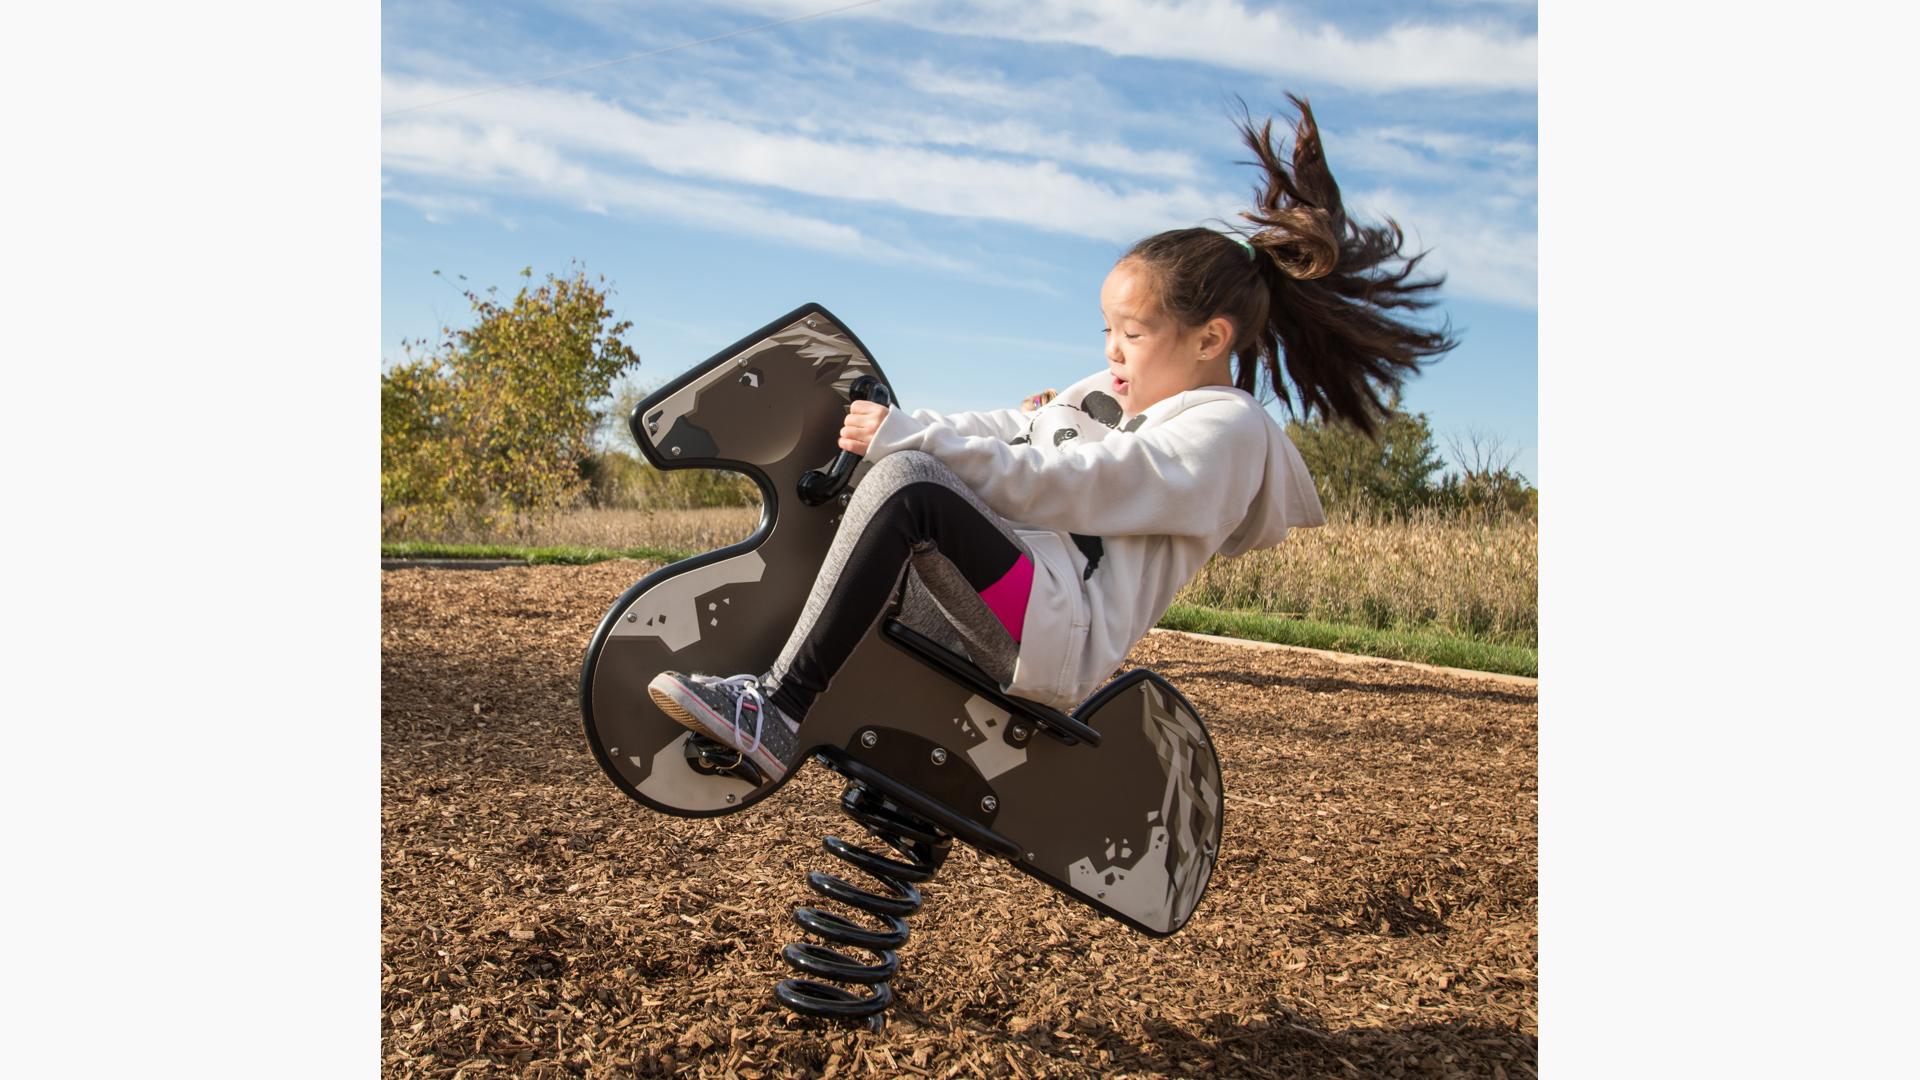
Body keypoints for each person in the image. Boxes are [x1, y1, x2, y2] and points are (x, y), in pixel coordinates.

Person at [649, 95, 1457, 782]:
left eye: (1132, 333)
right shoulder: (1104, 394)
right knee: (888, 475)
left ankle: (776, 712)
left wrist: (910, 447)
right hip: (1009, 590)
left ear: (1210, 339)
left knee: (912, 489)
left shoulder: (1226, 435)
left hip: (1046, 630)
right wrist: (899, 423)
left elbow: (1080, 483)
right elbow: (1011, 428)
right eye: (1106, 328)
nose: (1111, 350)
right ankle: (765, 665)